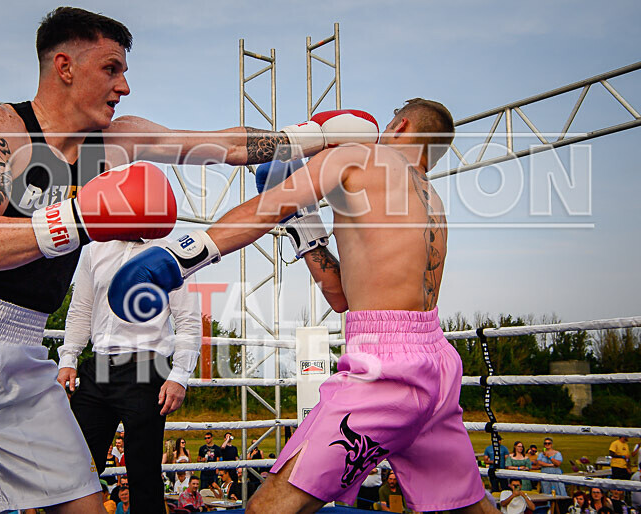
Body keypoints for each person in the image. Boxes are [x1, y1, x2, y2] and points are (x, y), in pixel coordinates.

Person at [0, 6, 365, 513]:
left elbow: (221, 147)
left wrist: (320, 139)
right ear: (64, 66)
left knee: (83, 504)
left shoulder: (120, 140)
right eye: (111, 68)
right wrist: (84, 216)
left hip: (25, 351)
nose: (124, 86)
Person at [107, 99, 493, 513]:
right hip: (438, 367)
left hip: (385, 368)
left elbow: (263, 207)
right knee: (465, 505)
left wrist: (183, 255)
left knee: (269, 508)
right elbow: (340, 295)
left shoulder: (357, 157)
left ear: (399, 126)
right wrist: (305, 226)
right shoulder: (432, 202)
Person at [56, 237, 201, 514]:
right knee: (77, 466)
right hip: (97, 366)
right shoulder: (95, 248)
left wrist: (180, 374)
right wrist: (68, 358)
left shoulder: (171, 251)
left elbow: (188, 320)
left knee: (143, 473)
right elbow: (81, 308)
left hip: (147, 367)